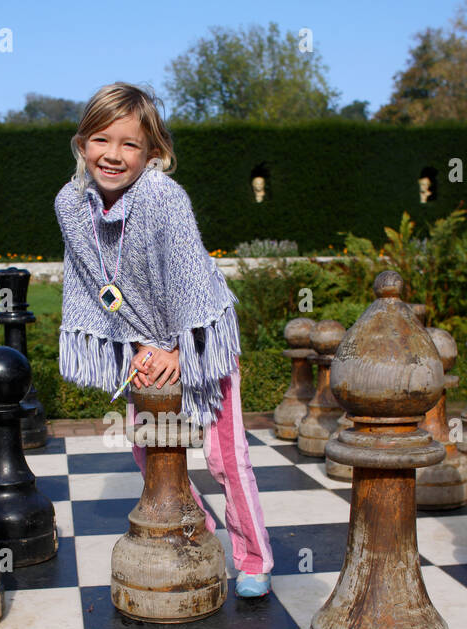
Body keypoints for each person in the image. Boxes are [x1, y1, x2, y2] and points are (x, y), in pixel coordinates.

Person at [54, 82, 274, 597]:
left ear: (153, 152)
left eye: (130, 144)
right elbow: (94, 286)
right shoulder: (70, 204)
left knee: (226, 458)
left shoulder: (163, 199)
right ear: (82, 142)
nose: (113, 155)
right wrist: (133, 345)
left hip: (199, 337)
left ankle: (254, 557)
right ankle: (197, 526)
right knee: (147, 447)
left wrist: (179, 348)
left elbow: (190, 279)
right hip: (140, 343)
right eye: (100, 140)